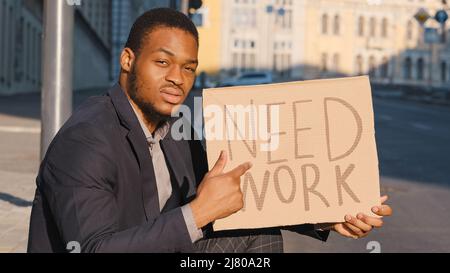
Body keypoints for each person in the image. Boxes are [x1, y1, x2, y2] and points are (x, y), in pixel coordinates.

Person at [27, 8, 392, 253]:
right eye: (162, 62)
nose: (176, 78)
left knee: (256, 237)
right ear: (128, 60)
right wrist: (198, 213)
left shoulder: (175, 129)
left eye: (188, 68)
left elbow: (247, 194)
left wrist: (327, 214)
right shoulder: (86, 140)